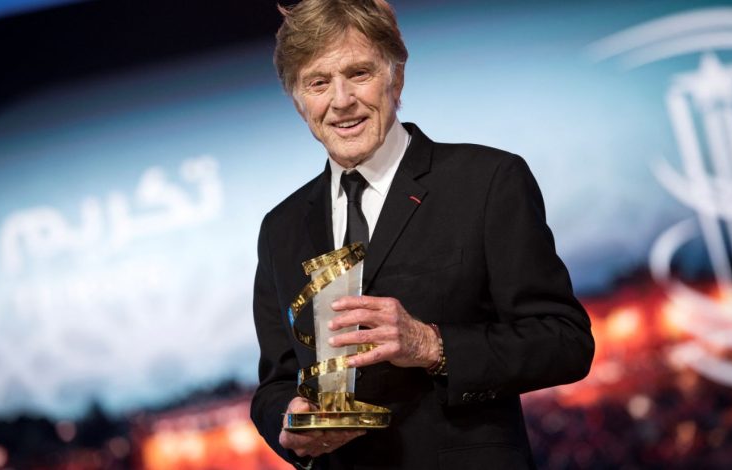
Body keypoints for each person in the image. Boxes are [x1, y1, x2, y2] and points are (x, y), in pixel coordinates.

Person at [250, 1, 595, 468]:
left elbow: (565, 343)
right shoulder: (280, 228)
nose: (341, 100)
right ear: (298, 100)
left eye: (359, 73)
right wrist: (290, 421)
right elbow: (274, 383)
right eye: (318, 83)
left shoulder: (487, 181)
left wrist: (430, 345)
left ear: (397, 76)